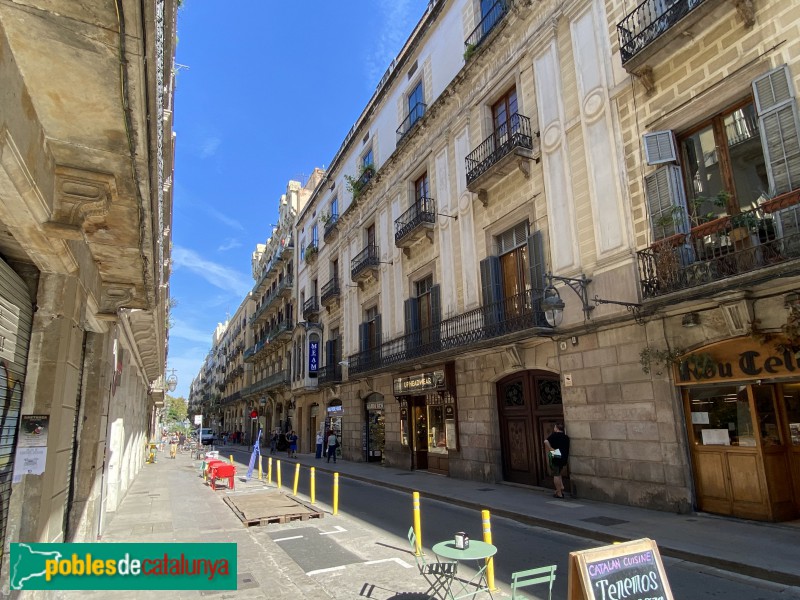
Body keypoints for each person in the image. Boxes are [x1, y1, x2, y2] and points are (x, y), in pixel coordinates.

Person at [544, 422, 570, 498]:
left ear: (556, 428)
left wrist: (551, 449)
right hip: (563, 456)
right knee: (559, 472)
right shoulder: (566, 437)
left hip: (555, 454)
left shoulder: (554, 435)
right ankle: (561, 487)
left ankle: (559, 493)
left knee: (555, 474)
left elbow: (545, 441)